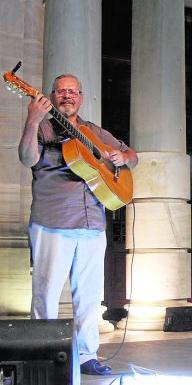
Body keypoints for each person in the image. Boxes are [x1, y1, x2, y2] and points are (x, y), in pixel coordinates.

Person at [18, 74, 138, 375]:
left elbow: (132, 158)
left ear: (80, 97)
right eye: (61, 91)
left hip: (93, 222)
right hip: (53, 221)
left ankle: (86, 355)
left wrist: (121, 157)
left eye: (72, 91)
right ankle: (43, 355)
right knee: (46, 294)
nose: (67, 96)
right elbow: (26, 158)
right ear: (52, 96)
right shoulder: (45, 127)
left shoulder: (94, 131)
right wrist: (32, 120)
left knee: (88, 295)